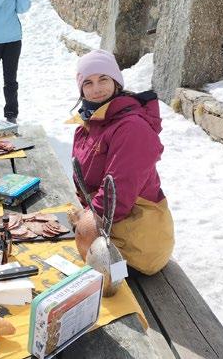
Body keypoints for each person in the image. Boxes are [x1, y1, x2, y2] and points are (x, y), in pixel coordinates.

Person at [71, 49, 174, 275]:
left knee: (94, 283)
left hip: (137, 250)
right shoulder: (91, 123)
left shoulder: (131, 128)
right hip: (109, 233)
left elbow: (118, 192)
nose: (96, 88)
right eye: (88, 82)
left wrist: (86, 222)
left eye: (103, 79)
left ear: (116, 82)